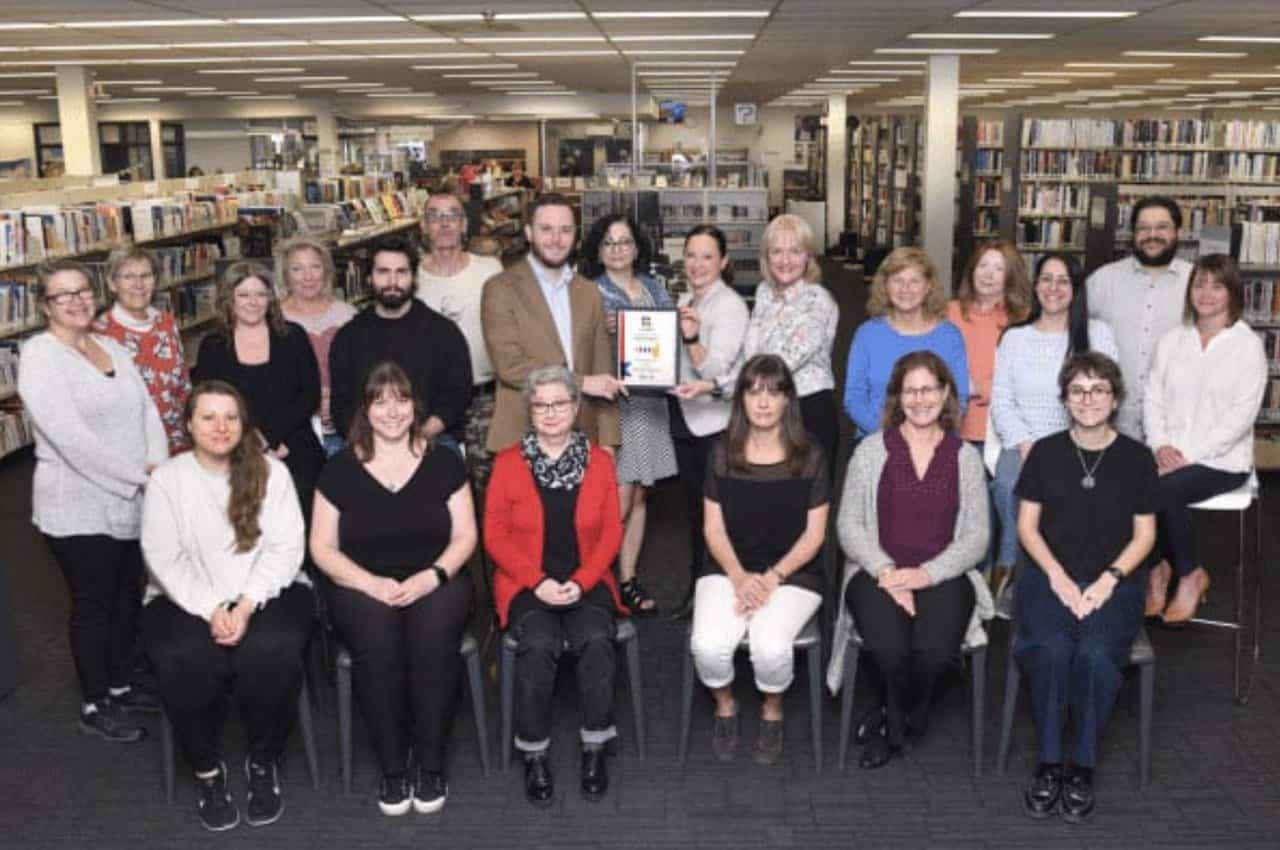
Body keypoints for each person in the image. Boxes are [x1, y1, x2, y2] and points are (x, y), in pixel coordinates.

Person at [140, 381, 312, 832]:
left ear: (244, 423)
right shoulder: (167, 480)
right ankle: (207, 771)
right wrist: (212, 607)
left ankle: (262, 761)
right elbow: (165, 558)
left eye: (231, 417)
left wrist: (247, 605)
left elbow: (285, 549)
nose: (221, 427)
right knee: (183, 657)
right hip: (183, 596)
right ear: (188, 424)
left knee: (272, 652)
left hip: (266, 590)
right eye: (208, 417)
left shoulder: (272, 473)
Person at [311, 362, 476, 816]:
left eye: (401, 400)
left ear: (414, 406)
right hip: (359, 582)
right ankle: (393, 765)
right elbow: (322, 547)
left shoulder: (444, 461)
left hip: (436, 576)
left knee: (432, 639)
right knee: (377, 641)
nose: (392, 411)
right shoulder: (339, 469)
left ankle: (431, 761)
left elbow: (466, 536)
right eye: (380, 401)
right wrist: (370, 584)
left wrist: (432, 577)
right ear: (365, 408)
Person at [18, 259, 168, 743]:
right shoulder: (40, 356)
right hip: (77, 505)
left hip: (129, 499)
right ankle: (94, 702)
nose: (76, 301)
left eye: (82, 290)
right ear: (45, 307)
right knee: (94, 604)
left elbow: (147, 409)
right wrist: (139, 477)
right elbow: (71, 439)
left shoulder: (109, 346)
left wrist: (157, 463)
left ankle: (121, 684)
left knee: (126, 596)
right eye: (62, 295)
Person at [826, 351, 991, 769]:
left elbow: (977, 537)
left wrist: (925, 575)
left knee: (934, 653)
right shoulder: (870, 451)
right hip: (876, 573)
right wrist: (887, 572)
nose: (920, 400)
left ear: (946, 392)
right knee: (890, 649)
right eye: (910, 391)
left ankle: (889, 717)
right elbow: (848, 524)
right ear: (897, 397)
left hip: (944, 575)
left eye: (929, 389)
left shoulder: (965, 458)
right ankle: (899, 728)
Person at [1014, 352, 1158, 824]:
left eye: (1098, 390)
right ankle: (1049, 763)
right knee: (1052, 649)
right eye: (1077, 390)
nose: (1088, 399)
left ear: (1115, 399)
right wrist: (1056, 577)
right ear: (1065, 399)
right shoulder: (1046, 453)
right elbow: (1027, 527)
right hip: (1048, 575)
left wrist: (1108, 581)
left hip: (1114, 580)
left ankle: (1082, 766)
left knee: (1095, 654)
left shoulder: (1137, 458)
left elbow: (1145, 536)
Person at [484, 366, 625, 807]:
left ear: (575, 407)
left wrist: (581, 582)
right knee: (539, 643)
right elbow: (495, 535)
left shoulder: (600, 461)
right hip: (526, 584)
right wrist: (538, 582)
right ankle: (534, 752)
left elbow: (611, 533)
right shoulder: (508, 463)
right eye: (541, 405)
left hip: (588, 580)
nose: (550, 413)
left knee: (596, 638)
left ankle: (595, 745)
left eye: (559, 404)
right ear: (530, 410)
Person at [690, 354, 829, 766]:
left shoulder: (811, 453)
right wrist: (738, 576)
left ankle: (772, 708)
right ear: (741, 400)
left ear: (787, 399)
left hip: (793, 574)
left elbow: (814, 535)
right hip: (727, 567)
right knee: (708, 647)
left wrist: (771, 579)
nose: (763, 402)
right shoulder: (721, 451)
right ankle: (725, 703)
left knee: (770, 648)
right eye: (753, 392)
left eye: (773, 392)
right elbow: (713, 530)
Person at [1142, 254, 1266, 624]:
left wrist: (1186, 455)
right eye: (1199, 284)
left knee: (1163, 489)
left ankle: (1189, 573)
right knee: (1130, 483)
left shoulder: (1247, 346)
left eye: (1217, 286)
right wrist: (1160, 445)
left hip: (1221, 460)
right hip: (1167, 454)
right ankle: (1158, 567)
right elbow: (1153, 398)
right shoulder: (1171, 341)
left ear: (1233, 293)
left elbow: (1240, 418)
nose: (1206, 293)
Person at [989, 253, 1118, 595]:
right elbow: (1002, 402)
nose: (1053, 288)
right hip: (1024, 442)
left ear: (1076, 289)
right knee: (1008, 484)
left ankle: (1059, 572)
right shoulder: (1014, 338)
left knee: (1076, 491)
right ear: (1035, 286)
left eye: (1063, 281)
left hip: (1081, 441)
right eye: (1046, 279)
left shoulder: (1097, 335)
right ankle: (1013, 566)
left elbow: (1104, 396)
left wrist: (1066, 445)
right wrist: (1025, 443)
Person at [681, 214, 840, 478]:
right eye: (776, 251)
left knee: (805, 498)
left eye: (795, 251)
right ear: (766, 257)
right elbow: (751, 358)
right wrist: (711, 385)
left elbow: (775, 367)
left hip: (805, 412)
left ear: (808, 257)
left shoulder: (818, 302)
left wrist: (716, 385)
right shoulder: (765, 293)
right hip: (766, 413)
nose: (785, 260)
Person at [581, 212, 677, 616]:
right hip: (614, 406)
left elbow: (669, 340)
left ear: (637, 248)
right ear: (598, 251)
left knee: (639, 495)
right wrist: (599, 331)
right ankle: (595, 580)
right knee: (616, 498)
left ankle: (626, 578)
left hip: (651, 403)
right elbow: (577, 352)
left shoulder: (655, 288)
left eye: (624, 242)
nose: (617, 249)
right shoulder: (589, 293)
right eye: (609, 243)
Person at [480, 192, 623, 454]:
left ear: (575, 236)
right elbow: (510, 366)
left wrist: (609, 442)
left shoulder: (589, 291)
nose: (556, 239)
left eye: (565, 230)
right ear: (529, 233)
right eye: (546, 229)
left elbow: (602, 371)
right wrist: (580, 382)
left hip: (582, 438)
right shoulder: (500, 289)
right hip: (522, 438)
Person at [193, 262, 324, 525]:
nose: (252, 302)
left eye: (260, 294)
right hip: (234, 448)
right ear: (229, 299)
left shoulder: (293, 336)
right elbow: (206, 403)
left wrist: (268, 437)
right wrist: (250, 441)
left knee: (300, 522)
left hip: (295, 445)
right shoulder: (213, 346)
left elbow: (310, 395)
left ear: (270, 298)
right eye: (243, 295)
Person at [669, 225, 750, 618]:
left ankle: (714, 593)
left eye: (707, 257)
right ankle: (701, 587)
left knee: (717, 516)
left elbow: (715, 371)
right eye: (691, 255)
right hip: (687, 418)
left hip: (714, 426)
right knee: (695, 511)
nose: (697, 264)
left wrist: (690, 339)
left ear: (723, 261)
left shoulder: (729, 306)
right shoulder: (686, 298)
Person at [329, 235, 473, 454]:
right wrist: (373, 446)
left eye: (401, 272)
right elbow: (342, 406)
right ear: (369, 278)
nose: (392, 282)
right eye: (383, 272)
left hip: (432, 439)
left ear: (414, 278)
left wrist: (420, 437)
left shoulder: (444, 332)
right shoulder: (348, 338)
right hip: (368, 445)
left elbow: (457, 395)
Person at [416, 192, 504, 489]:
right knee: (437, 486)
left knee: (491, 487)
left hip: (485, 399)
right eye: (435, 216)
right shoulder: (411, 277)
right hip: (430, 404)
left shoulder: (490, 270)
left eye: (452, 215)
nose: (444, 223)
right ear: (423, 226)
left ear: (464, 224)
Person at [1087, 196, 1194, 440]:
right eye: (1143, 228)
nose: (1151, 235)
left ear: (1178, 232)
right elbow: (1071, 333)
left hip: (1175, 427)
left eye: (1162, 227)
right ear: (1132, 234)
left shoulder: (1197, 283)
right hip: (1112, 425)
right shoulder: (1103, 281)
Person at [844, 246, 969, 441]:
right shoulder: (867, 334)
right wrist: (890, 437)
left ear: (928, 286)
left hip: (935, 442)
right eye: (897, 280)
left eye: (914, 281)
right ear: (885, 286)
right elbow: (854, 399)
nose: (905, 289)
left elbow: (959, 398)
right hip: (877, 439)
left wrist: (926, 439)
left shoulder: (949, 336)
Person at [94, 246, 193, 455]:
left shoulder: (166, 322)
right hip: (133, 449)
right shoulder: (100, 334)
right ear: (112, 283)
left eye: (145, 276)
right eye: (128, 277)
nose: (138, 284)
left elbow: (183, 383)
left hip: (178, 441)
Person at [946, 240, 1031, 449]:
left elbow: (1028, 379)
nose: (988, 274)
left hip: (998, 433)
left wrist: (978, 387)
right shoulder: (949, 312)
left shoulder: (1023, 320)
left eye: (999, 269)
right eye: (983, 265)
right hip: (948, 426)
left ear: (1011, 276)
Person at [278, 236, 357, 458]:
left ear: (327, 271)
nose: (308, 277)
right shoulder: (274, 319)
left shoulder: (347, 314)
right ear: (285, 275)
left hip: (346, 427)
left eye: (315, 267)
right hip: (294, 432)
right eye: (297, 269)